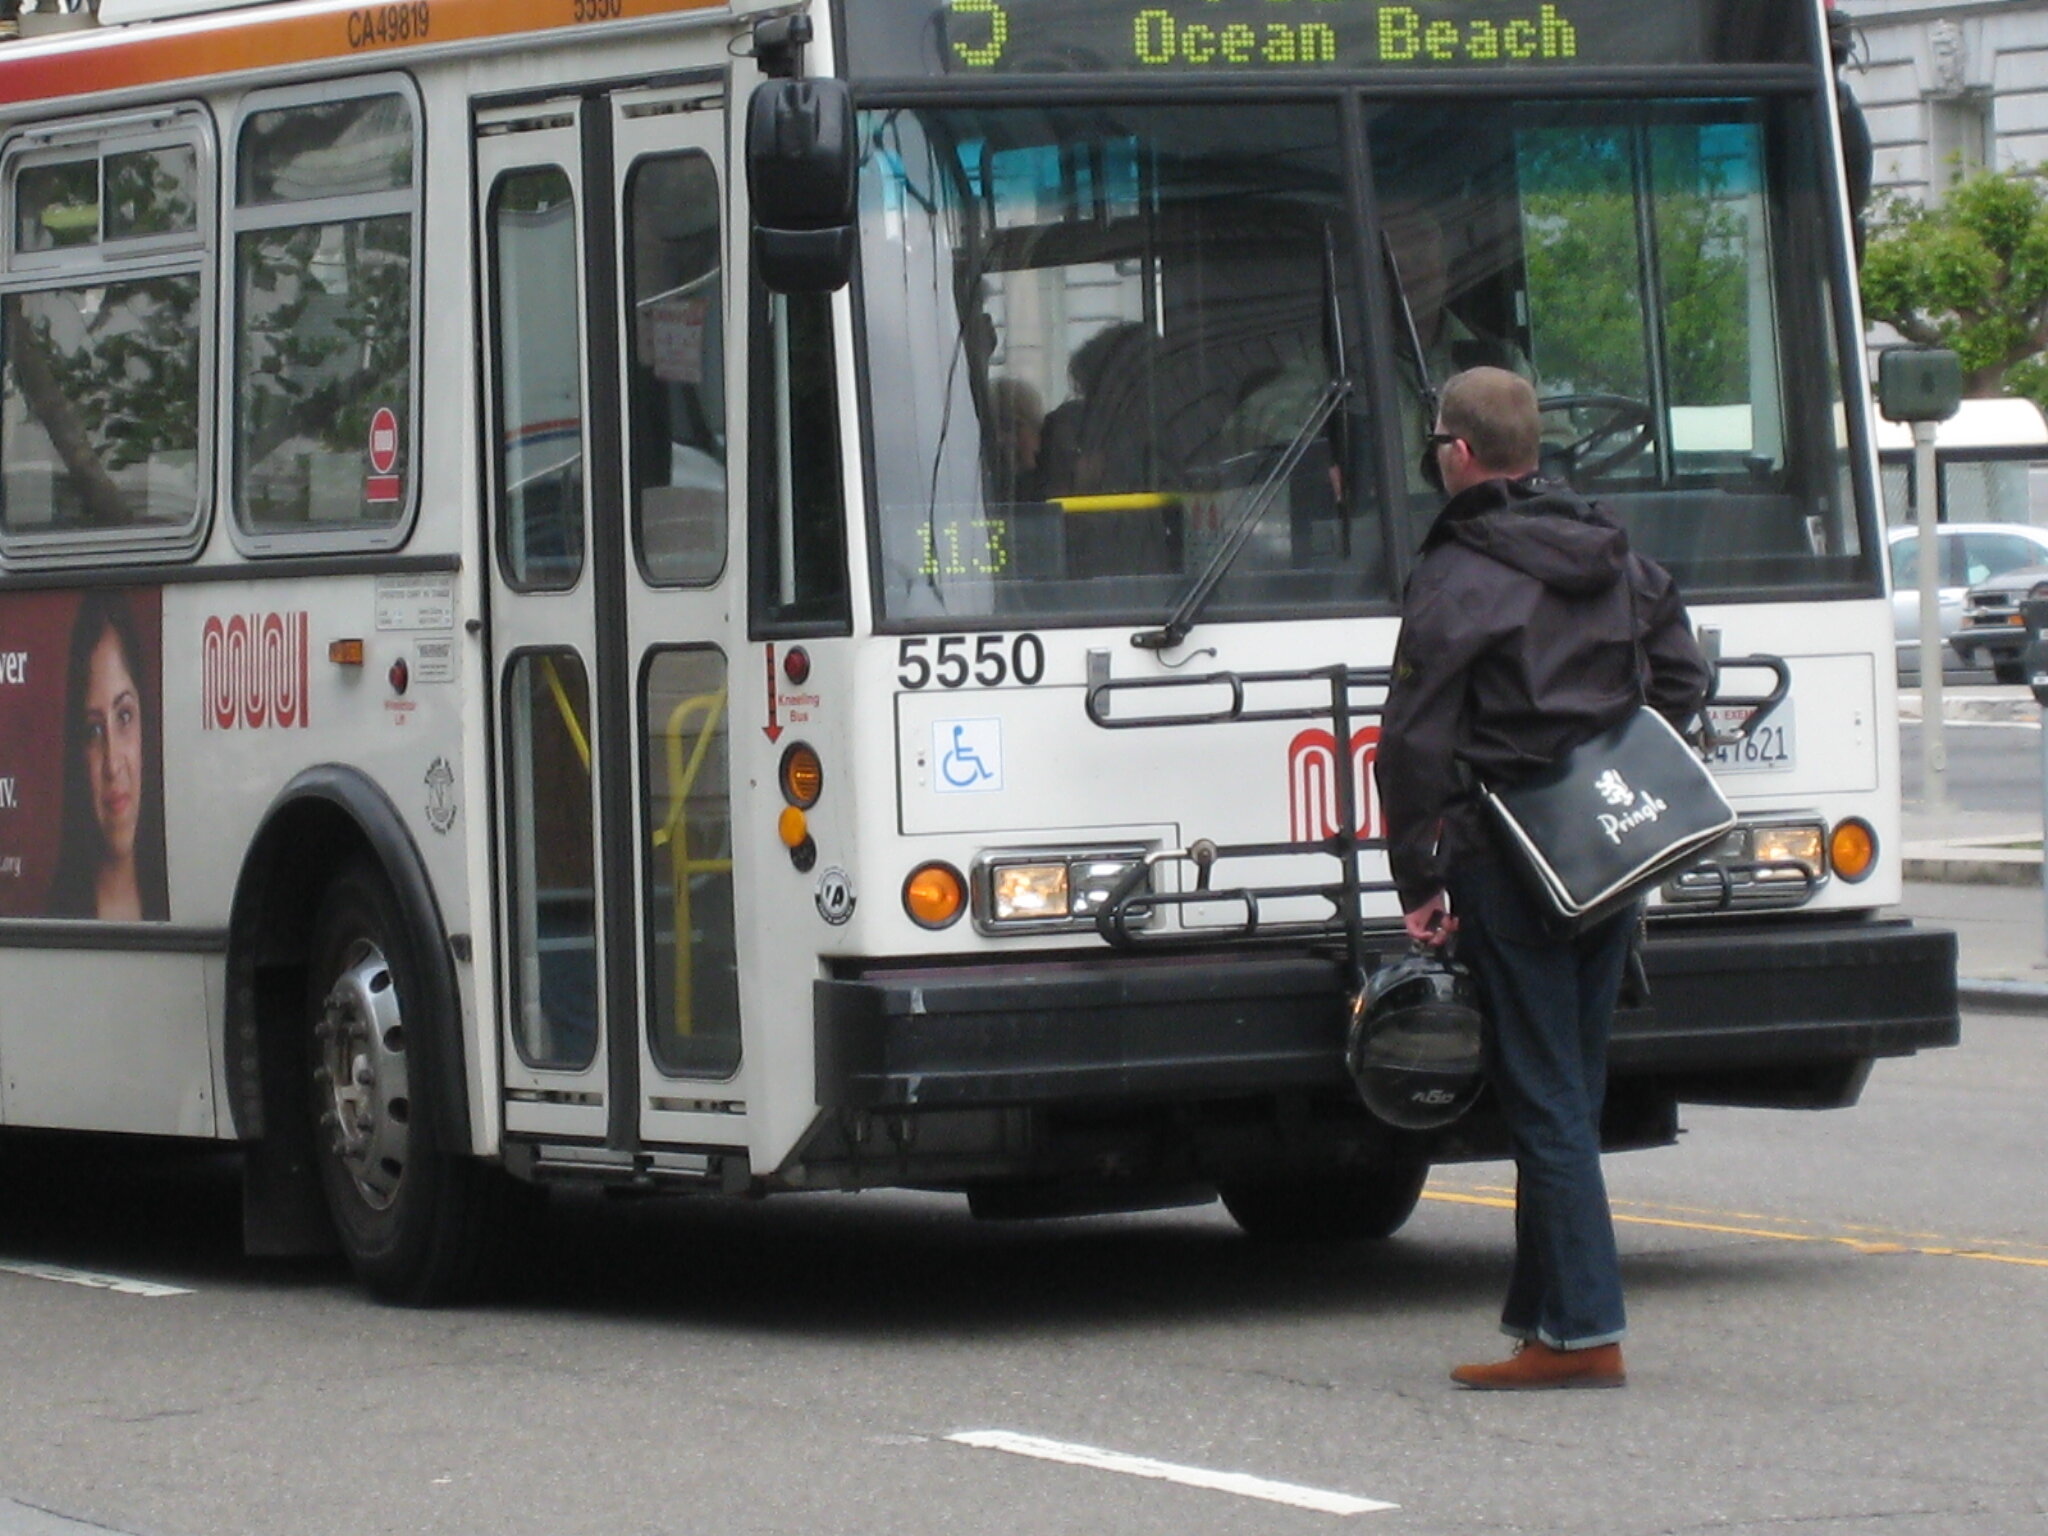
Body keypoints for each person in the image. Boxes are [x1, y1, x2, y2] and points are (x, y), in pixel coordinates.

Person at [1375, 367, 1710, 1390]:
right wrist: (1608, 759)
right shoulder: (1610, 550)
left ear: (1460, 455)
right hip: (1608, 848)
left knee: (1542, 1097)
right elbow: (1685, 679)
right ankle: (1540, 1322)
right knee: (1571, 1077)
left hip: (1505, 856)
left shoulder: (1458, 572)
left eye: (1437, 441)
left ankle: (1582, 1332)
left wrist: (1416, 876)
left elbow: (1412, 743)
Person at [47, 591, 169, 922]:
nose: (112, 764)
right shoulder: (57, 916)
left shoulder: (185, 889)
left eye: (125, 716)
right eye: (94, 731)